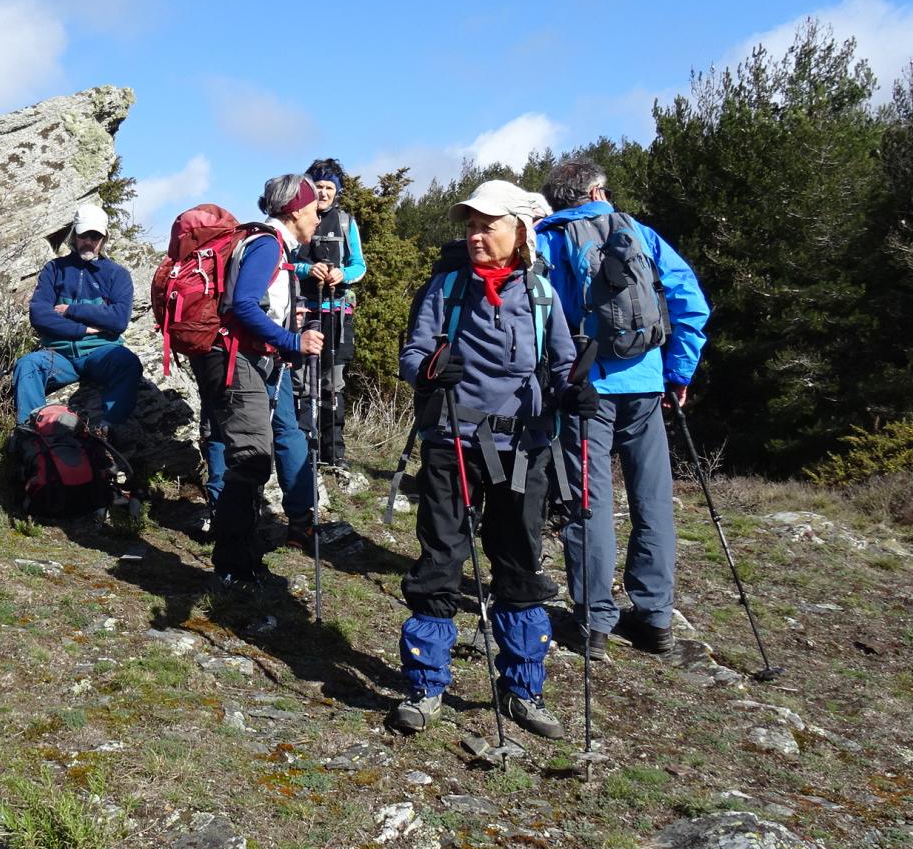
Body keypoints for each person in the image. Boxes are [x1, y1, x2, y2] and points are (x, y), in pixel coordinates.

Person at [391, 179, 595, 741]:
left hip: (523, 449)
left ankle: (522, 690)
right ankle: (426, 687)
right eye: (471, 225)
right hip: (451, 443)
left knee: (518, 566)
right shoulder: (448, 288)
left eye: (489, 225)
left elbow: (561, 367)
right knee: (440, 560)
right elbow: (412, 355)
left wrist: (575, 393)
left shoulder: (542, 296)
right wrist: (430, 369)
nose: (477, 235)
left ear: (519, 233)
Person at [536, 158, 711, 658]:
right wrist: (678, 372)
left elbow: (537, 314)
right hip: (646, 382)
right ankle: (654, 618)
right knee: (652, 498)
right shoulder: (641, 234)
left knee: (588, 503)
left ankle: (593, 623)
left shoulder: (548, 240)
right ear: (596, 190)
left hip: (584, 389)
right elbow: (689, 300)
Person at [191, 174, 327, 592]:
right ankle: (233, 566)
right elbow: (244, 305)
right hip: (236, 359)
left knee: (250, 457)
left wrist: (285, 344)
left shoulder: (268, 244)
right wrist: (291, 340)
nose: (318, 219)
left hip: (243, 357)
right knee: (250, 460)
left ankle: (241, 559)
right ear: (296, 211)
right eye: (314, 211)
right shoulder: (267, 244)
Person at [13, 204, 142, 434]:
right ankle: (30, 434)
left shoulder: (117, 275)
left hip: (100, 353)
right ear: (74, 234)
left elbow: (118, 320)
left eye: (95, 236)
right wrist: (85, 329)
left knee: (128, 363)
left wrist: (70, 310)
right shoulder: (54, 269)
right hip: (59, 356)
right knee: (27, 364)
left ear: (104, 238)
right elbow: (39, 315)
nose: (89, 241)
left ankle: (109, 430)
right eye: (84, 235)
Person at [294, 158, 366, 468]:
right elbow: (286, 262)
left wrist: (342, 276)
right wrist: (308, 269)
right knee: (300, 381)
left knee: (333, 382)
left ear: (337, 191)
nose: (323, 193)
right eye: (318, 186)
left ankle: (333, 452)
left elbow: (358, 266)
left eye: (329, 187)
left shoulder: (347, 223)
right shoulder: (296, 218)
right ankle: (300, 447)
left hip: (337, 312)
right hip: (302, 310)